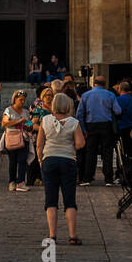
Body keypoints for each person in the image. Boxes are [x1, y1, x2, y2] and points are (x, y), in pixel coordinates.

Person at [37, 92, 86, 246]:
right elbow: (80, 144)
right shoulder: (73, 122)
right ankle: (72, 235)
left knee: (50, 198)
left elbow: (39, 144)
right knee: (69, 199)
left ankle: (52, 235)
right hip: (67, 161)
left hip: (49, 160)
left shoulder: (45, 120)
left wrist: (40, 159)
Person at [76, 74, 121, 185]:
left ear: (94, 84)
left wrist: (83, 128)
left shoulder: (86, 95)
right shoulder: (110, 95)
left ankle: (88, 178)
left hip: (91, 126)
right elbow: (118, 111)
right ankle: (108, 179)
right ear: (104, 85)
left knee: (90, 152)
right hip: (106, 125)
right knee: (107, 152)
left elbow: (79, 114)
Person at [1, 90, 31, 191]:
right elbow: (4, 123)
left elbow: (30, 124)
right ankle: (12, 181)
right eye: (20, 100)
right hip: (12, 138)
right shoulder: (8, 110)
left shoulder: (26, 112)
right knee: (13, 161)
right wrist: (19, 121)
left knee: (23, 160)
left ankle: (21, 182)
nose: (22, 102)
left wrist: (29, 126)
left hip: (24, 138)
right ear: (15, 99)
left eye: (23, 100)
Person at [27, 85, 54, 186]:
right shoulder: (38, 109)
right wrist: (44, 131)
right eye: (46, 95)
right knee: (36, 160)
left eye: (50, 95)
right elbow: (32, 124)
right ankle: (32, 180)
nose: (48, 97)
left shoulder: (55, 108)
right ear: (42, 97)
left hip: (52, 138)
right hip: (39, 137)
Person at [114, 81, 132, 164]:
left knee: (121, 151)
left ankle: (122, 169)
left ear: (120, 89)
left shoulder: (117, 100)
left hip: (121, 128)